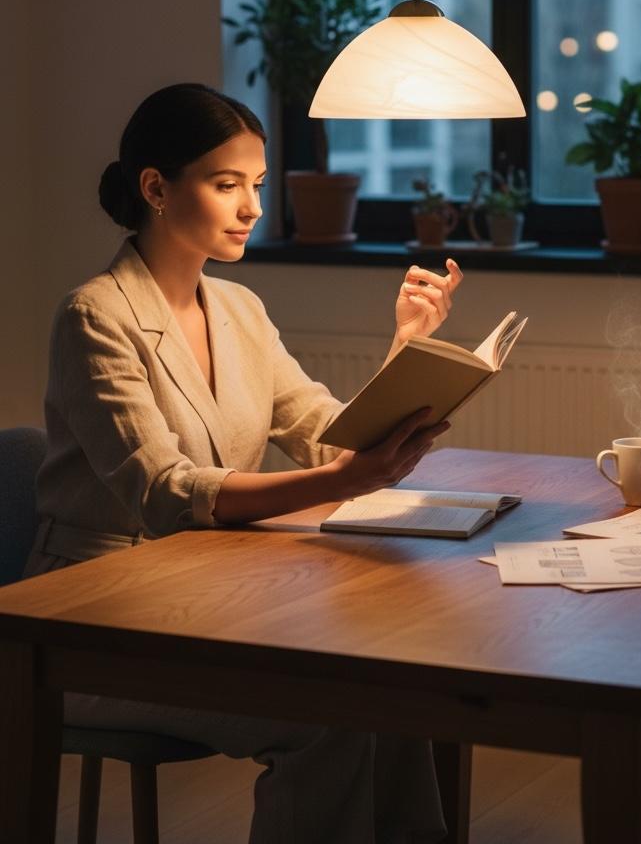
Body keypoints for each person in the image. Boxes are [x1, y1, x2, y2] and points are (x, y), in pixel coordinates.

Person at [25, 82, 464, 844]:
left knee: (394, 695)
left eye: (256, 186)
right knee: (332, 719)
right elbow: (164, 494)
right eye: (227, 185)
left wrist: (408, 350)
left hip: (207, 592)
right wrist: (342, 480)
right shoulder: (93, 316)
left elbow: (327, 436)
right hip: (90, 618)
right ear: (156, 188)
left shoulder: (239, 309)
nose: (252, 207)